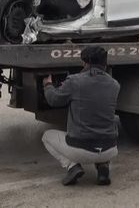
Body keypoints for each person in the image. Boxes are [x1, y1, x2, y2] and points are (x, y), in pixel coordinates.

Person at [41, 46, 120, 186]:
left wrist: (47, 85)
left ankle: (72, 167)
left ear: (85, 63)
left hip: (81, 150)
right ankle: (103, 169)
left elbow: (53, 99)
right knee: (108, 123)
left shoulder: (75, 81)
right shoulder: (115, 84)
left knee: (47, 136)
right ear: (105, 64)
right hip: (110, 149)